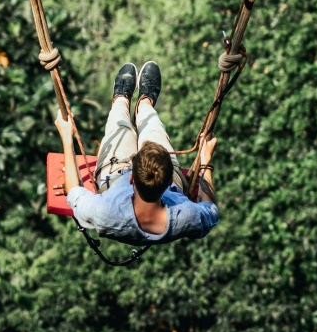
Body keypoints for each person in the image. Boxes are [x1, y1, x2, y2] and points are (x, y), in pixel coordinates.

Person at [54, 61, 219, 246]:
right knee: (153, 127)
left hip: (114, 176)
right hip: (151, 182)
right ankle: (145, 104)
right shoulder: (186, 216)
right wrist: (205, 161)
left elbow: (73, 192)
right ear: (169, 181)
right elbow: (210, 209)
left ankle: (121, 100)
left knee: (119, 123)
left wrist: (66, 138)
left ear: (132, 178)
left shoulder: (105, 212)